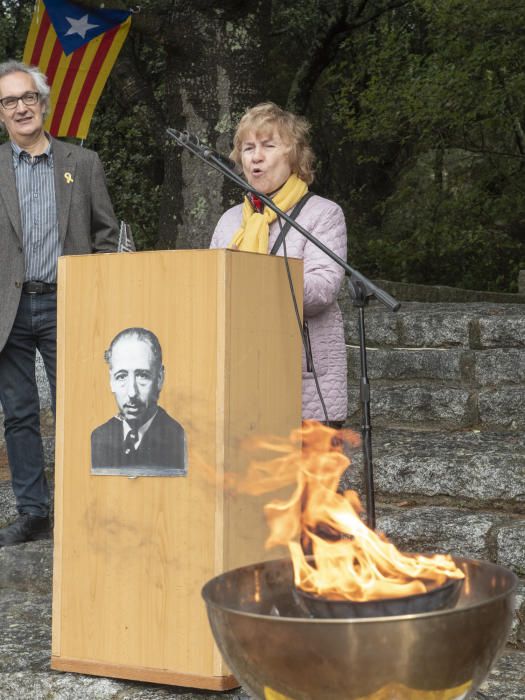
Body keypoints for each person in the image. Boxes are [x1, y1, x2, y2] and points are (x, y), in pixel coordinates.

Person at [0, 60, 119, 546]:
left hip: (68, 305)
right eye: (9, 101)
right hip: (7, 310)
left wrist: (99, 294)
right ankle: (34, 513)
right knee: (20, 413)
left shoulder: (81, 164)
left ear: (43, 105)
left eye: (28, 97)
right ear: (1, 115)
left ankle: (84, 506)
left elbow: (107, 236)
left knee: (82, 407)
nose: (21, 107)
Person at [210, 102, 347, 425]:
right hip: (240, 379)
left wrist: (257, 279)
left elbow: (323, 290)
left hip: (303, 382)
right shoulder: (230, 222)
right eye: (247, 148)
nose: (255, 157)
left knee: (307, 478)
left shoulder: (322, 214)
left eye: (268, 146)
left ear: (294, 156)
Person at [91, 327, 187, 474]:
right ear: (112, 381)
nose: (132, 393)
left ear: (160, 378)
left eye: (142, 375)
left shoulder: (177, 438)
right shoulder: (99, 437)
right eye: (121, 376)